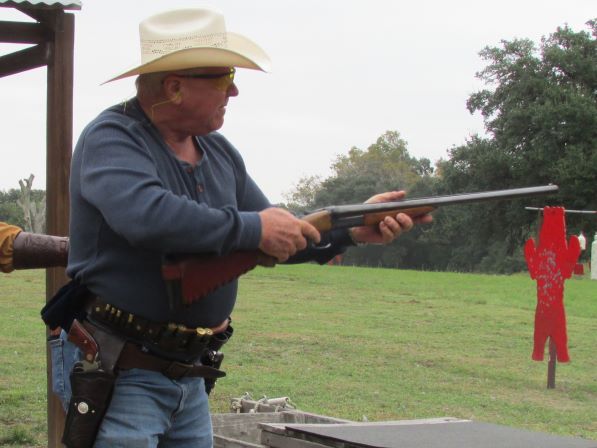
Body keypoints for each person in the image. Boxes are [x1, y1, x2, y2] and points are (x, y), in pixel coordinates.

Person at [56, 7, 431, 448]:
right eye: (224, 77)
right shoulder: (112, 137)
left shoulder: (218, 152)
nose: (233, 90)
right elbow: (148, 217)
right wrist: (255, 229)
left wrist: (350, 229)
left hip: (188, 371)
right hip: (121, 367)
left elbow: (275, 232)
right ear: (174, 87)